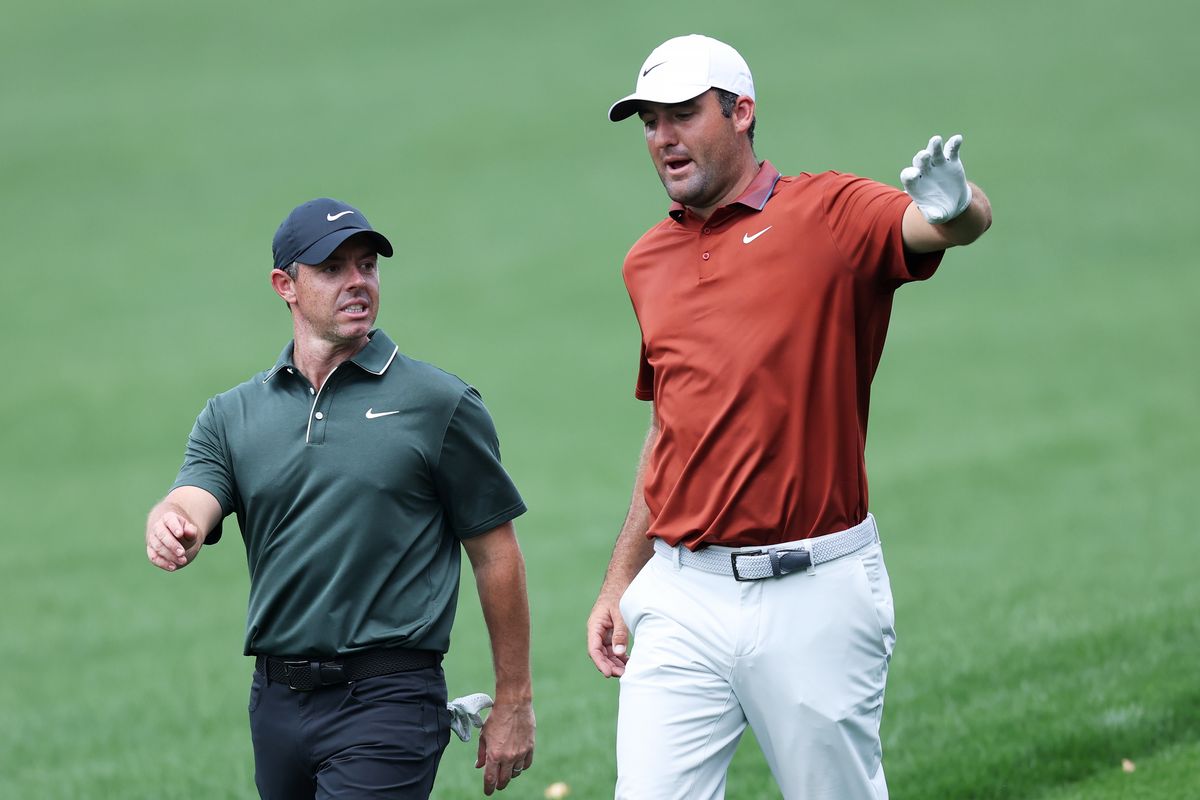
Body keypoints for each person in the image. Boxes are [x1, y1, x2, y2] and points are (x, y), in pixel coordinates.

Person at [586, 34, 992, 799]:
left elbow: (941, 225)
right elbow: (672, 427)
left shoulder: (828, 212)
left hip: (814, 590)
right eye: (649, 122)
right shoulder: (647, 261)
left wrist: (958, 205)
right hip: (681, 595)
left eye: (682, 114)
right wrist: (620, 581)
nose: (663, 138)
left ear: (741, 113)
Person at [145, 198, 535, 799]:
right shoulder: (233, 414)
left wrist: (514, 700)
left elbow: (496, 553)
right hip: (276, 703)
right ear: (286, 285)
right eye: (332, 269)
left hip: (389, 700)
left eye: (367, 266)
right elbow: (191, 498)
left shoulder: (439, 403)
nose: (357, 282)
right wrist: (172, 523)